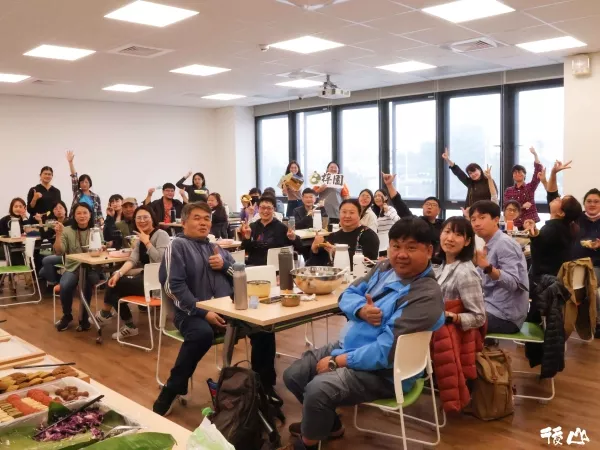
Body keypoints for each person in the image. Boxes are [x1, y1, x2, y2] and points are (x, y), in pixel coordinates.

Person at [281, 218, 445, 450]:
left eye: (411, 247)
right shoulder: (384, 268)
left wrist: (338, 361)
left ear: (429, 250)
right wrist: (361, 310)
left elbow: (386, 351)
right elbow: (347, 294)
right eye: (396, 246)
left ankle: (306, 444)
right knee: (294, 374)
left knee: (319, 388)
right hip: (351, 347)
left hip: (386, 372)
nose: (401, 254)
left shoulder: (425, 295)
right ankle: (329, 426)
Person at [153, 202, 279, 415]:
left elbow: (241, 275)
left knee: (264, 327)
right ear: (183, 222)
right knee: (201, 334)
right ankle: (173, 387)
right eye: (197, 218)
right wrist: (204, 312)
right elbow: (173, 287)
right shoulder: (177, 246)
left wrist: (225, 266)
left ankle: (263, 386)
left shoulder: (216, 248)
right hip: (191, 313)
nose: (203, 223)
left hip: (227, 311)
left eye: (207, 219)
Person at [95, 206, 170, 340]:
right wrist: (118, 273)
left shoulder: (161, 234)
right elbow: (133, 260)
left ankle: (108, 316)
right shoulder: (140, 237)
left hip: (158, 285)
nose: (142, 220)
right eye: (138, 218)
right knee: (115, 280)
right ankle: (121, 322)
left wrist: (147, 242)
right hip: (146, 279)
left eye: (145, 217)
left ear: (152, 218)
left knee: (117, 285)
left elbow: (161, 259)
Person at [470, 200, 529, 334]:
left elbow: (513, 283)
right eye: (473, 219)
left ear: (496, 220)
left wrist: (488, 268)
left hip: (505, 317)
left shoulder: (504, 243)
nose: (476, 223)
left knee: (452, 323)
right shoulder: (489, 245)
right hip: (490, 307)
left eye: (482, 218)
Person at [524, 161, 582, 278]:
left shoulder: (553, 229)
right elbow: (552, 193)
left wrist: (531, 230)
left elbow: (537, 247)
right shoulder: (565, 225)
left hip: (545, 281)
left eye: (560, 200)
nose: (557, 198)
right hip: (556, 278)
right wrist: (553, 173)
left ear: (561, 213)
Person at [53, 202, 102, 332]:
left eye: (85, 213)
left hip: (91, 268)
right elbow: (59, 251)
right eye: (78, 213)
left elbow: (101, 248)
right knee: (65, 285)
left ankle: (84, 317)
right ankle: (67, 315)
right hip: (73, 267)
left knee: (86, 283)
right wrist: (58, 234)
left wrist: (103, 248)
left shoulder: (96, 230)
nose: (82, 216)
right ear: (74, 216)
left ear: (90, 214)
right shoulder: (67, 230)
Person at [436, 217, 486, 330]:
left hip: (451, 333)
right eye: (447, 232)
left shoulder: (465, 273)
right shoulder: (444, 265)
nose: (450, 238)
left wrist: (455, 317)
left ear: (467, 241)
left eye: (458, 234)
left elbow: (479, 317)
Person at [308, 199, 379, 269]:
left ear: (360, 215)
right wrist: (314, 250)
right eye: (344, 212)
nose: (347, 216)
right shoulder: (333, 236)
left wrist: (339, 252)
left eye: (352, 212)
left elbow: (369, 265)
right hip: (332, 275)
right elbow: (315, 266)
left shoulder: (368, 235)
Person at [240, 196, 303, 266]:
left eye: (269, 208)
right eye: (262, 208)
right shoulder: (252, 226)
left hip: (275, 267)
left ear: (274, 209)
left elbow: (300, 249)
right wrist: (247, 236)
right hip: (255, 266)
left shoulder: (281, 227)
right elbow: (245, 251)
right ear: (258, 209)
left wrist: (293, 238)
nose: (265, 211)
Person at [503, 147, 543, 229]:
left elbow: (538, 172)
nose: (517, 174)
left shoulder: (530, 187)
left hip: (529, 222)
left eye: (520, 172)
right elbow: (507, 206)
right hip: (514, 222)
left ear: (524, 174)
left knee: (531, 237)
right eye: (515, 173)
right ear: (512, 176)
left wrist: (535, 154)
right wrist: (521, 206)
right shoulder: (508, 190)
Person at [38, 201, 70, 288]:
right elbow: (44, 235)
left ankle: (53, 283)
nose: (58, 210)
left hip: (66, 252)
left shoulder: (70, 222)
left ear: (65, 210)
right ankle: (61, 282)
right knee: (41, 272)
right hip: (56, 251)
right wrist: (40, 221)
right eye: (55, 209)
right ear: (53, 212)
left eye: (60, 208)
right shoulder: (54, 224)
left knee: (46, 261)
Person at [66, 151, 103, 222]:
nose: (84, 184)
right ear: (79, 184)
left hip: (92, 222)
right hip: (76, 221)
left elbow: (99, 212)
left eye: (86, 182)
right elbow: (74, 176)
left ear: (90, 184)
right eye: (82, 182)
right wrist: (70, 162)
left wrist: (101, 220)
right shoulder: (77, 192)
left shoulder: (96, 197)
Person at [0, 198, 32, 267]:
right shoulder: (6, 220)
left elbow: (29, 231)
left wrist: (24, 217)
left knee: (33, 253)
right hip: (4, 247)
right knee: (17, 256)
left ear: (24, 208)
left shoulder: (24, 219)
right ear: (11, 208)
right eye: (15, 206)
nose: (18, 209)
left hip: (16, 247)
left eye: (20, 206)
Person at [371, 189, 399, 254]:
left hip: (388, 242)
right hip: (377, 243)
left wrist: (387, 211)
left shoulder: (390, 208)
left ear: (386, 197)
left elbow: (398, 221)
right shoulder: (374, 211)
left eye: (379, 195)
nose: (377, 198)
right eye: (375, 196)